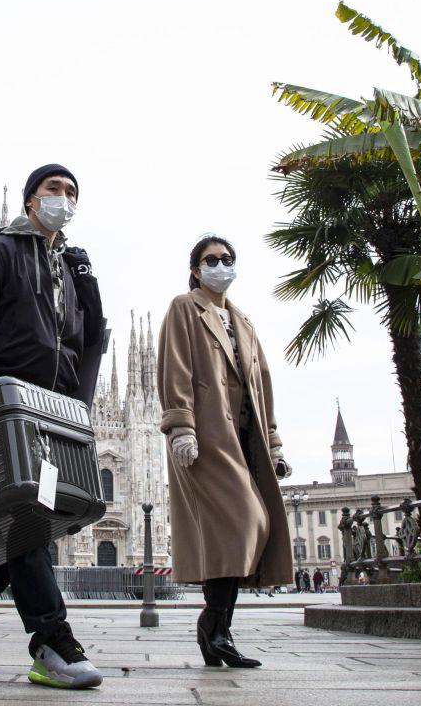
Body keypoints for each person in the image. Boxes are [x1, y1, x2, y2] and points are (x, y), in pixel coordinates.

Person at [0, 164, 105, 688]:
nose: (64, 199)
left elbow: (87, 340)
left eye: (72, 192)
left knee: (33, 518)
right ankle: (51, 639)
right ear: (32, 200)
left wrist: (88, 286)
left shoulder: (67, 271)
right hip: (7, 403)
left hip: (52, 410)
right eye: (54, 190)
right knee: (28, 515)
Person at [157, 235, 293, 669]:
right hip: (207, 437)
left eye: (227, 259)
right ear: (195, 269)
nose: (221, 265)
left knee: (246, 527)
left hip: (244, 439)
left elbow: (264, 385)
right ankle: (215, 626)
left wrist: (273, 442)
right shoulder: (184, 307)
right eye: (211, 260)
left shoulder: (244, 322)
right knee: (244, 521)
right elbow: (174, 365)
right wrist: (180, 426)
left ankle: (217, 630)